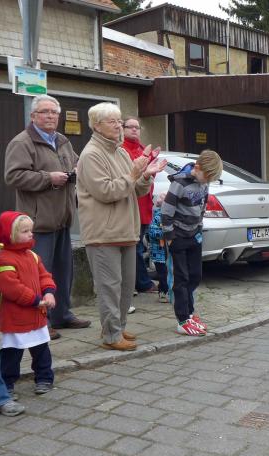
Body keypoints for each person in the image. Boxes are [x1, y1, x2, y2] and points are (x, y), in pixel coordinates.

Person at [77, 102, 165, 351]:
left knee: (126, 287)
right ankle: (111, 336)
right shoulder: (91, 154)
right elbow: (106, 191)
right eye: (112, 121)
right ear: (97, 126)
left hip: (126, 230)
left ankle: (117, 326)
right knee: (109, 288)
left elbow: (135, 189)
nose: (118, 126)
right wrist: (134, 174)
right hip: (103, 233)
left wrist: (145, 175)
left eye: (119, 121)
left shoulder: (121, 152)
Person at [4, 94, 91, 340]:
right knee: (37, 274)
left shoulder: (62, 140)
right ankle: (42, 321)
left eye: (54, 112)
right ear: (33, 116)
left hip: (63, 217)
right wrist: (47, 178)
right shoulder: (22, 142)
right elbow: (13, 176)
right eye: (44, 112)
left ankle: (62, 314)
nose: (50, 116)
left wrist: (77, 170)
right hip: (37, 222)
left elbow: (77, 163)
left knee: (63, 271)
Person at [160, 150, 223, 336]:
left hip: (194, 235)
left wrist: (199, 228)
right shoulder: (179, 184)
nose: (207, 181)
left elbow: (202, 206)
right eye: (207, 177)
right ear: (197, 168)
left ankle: (189, 313)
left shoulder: (204, 183)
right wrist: (169, 236)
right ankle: (182, 319)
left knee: (195, 275)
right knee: (181, 278)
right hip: (178, 237)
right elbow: (166, 211)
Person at [0, 211, 56, 407]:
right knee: (12, 352)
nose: (31, 234)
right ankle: (7, 384)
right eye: (25, 231)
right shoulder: (4, 259)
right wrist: (34, 300)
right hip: (16, 317)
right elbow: (11, 288)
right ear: (10, 234)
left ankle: (45, 377)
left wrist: (49, 292)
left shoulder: (33, 256)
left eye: (30, 230)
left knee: (41, 348)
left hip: (37, 314)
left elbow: (44, 276)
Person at [121, 116, 158, 295]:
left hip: (145, 205)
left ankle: (135, 282)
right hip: (132, 204)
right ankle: (141, 283)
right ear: (123, 129)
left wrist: (152, 160)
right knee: (134, 246)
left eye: (137, 127)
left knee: (138, 246)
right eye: (131, 127)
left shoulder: (143, 149)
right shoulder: (121, 150)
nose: (135, 130)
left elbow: (151, 176)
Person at [148, 192, 171, 303]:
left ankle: (165, 290)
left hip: (165, 250)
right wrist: (166, 233)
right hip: (158, 251)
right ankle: (163, 292)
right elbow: (152, 232)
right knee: (162, 273)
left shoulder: (168, 216)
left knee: (166, 271)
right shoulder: (158, 217)